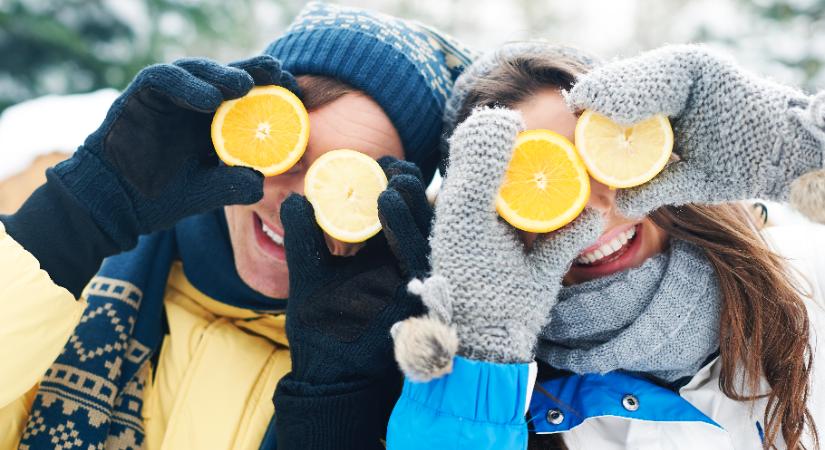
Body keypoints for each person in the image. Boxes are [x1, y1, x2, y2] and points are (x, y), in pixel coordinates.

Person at [0, 3, 472, 449]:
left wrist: (337, 401)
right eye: (287, 152)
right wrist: (74, 219)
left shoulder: (415, 390)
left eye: (348, 180)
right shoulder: (70, 288)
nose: (297, 205)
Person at [387, 42, 825, 449]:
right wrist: (482, 362)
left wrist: (799, 148)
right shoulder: (518, 414)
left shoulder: (809, 288)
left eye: (601, 158)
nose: (595, 207)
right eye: (540, 184)